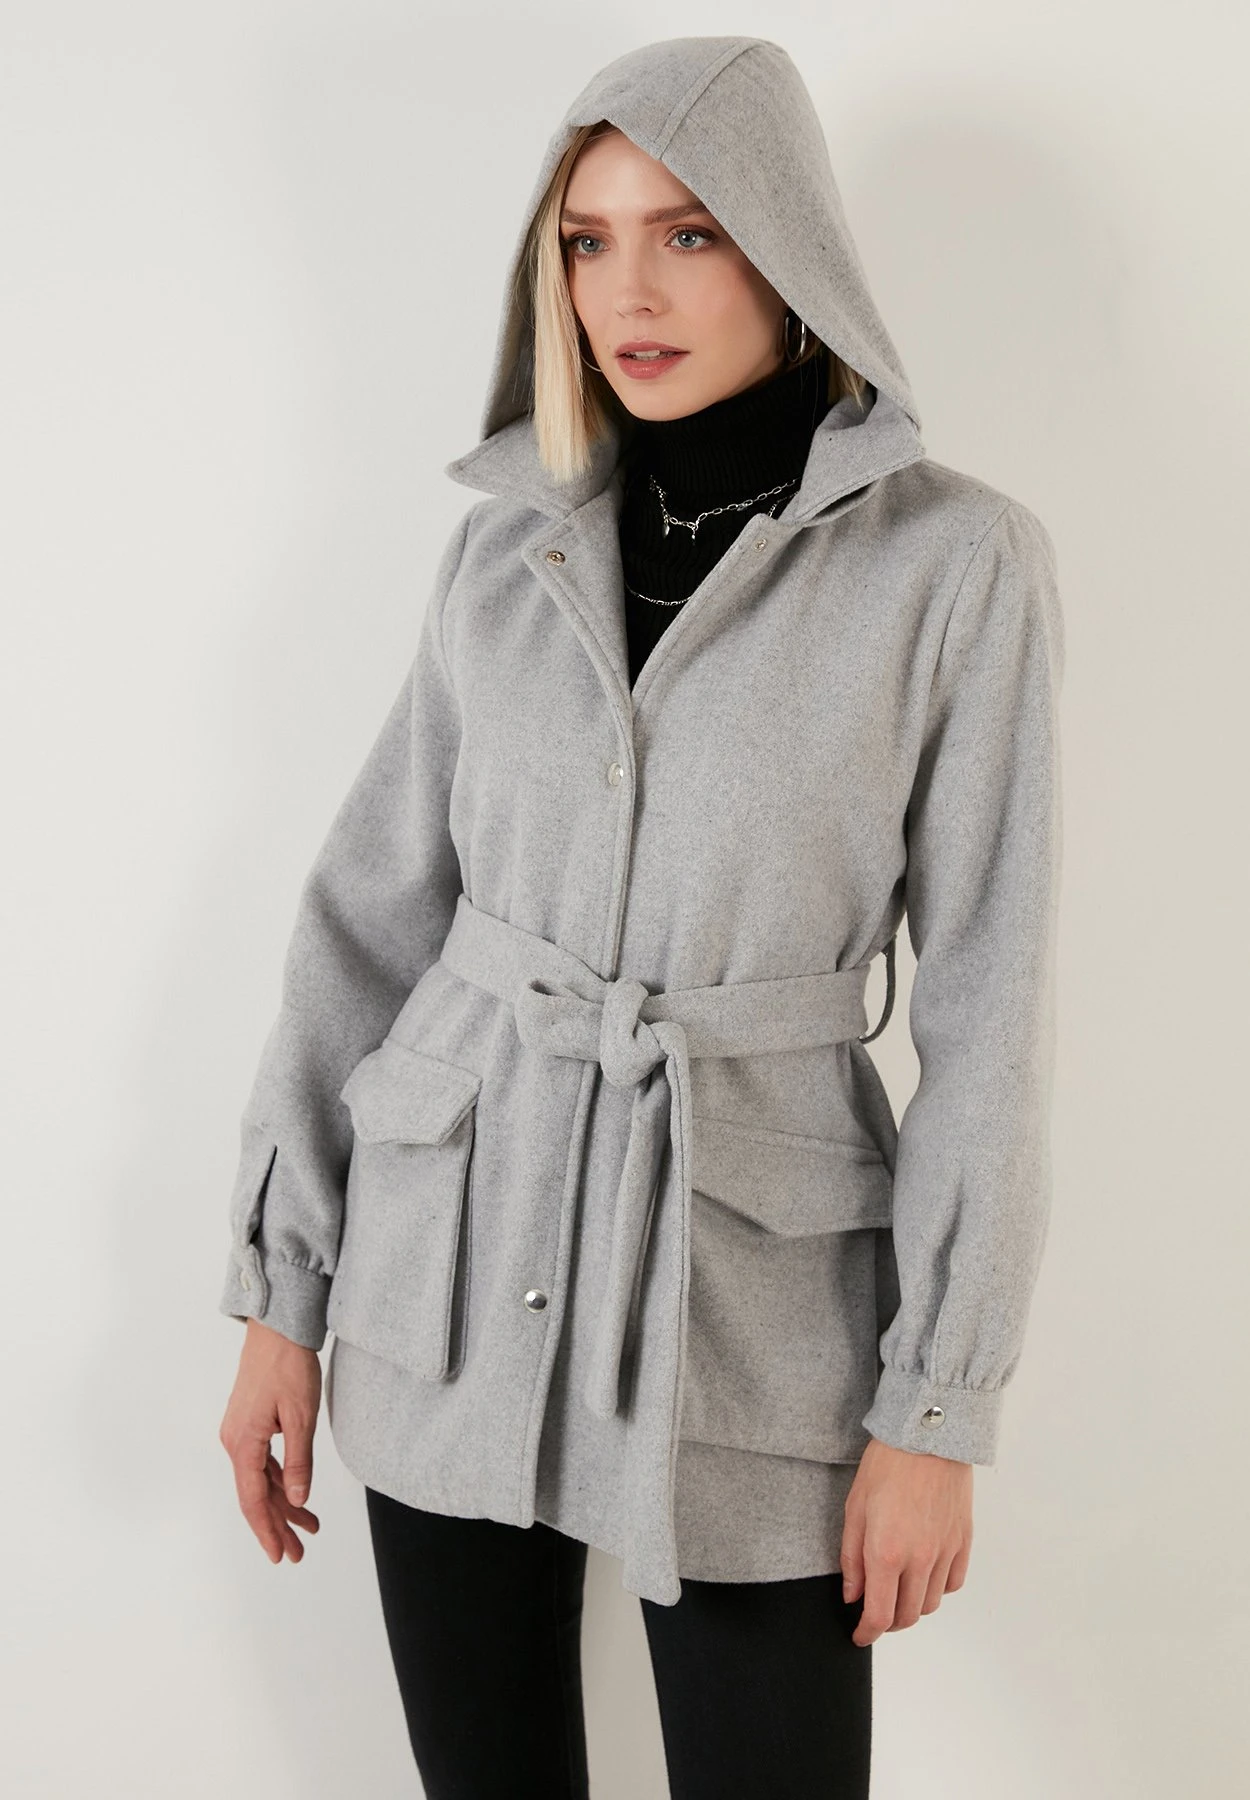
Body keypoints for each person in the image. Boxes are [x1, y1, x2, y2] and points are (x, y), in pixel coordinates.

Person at [217, 34, 1064, 1800]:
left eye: (687, 232)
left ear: (788, 249)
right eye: (586, 242)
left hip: (754, 1319)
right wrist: (281, 1295)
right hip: (446, 1276)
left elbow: (988, 1007)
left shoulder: (954, 566)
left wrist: (936, 1408)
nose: (628, 292)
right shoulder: (503, 549)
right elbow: (370, 915)